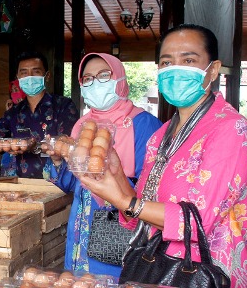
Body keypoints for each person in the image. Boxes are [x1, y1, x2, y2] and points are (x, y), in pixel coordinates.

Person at [79, 24, 247, 288]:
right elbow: (142, 209)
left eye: (188, 60)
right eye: (166, 62)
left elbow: (198, 220)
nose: (175, 69)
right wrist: (117, 182)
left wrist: (127, 202)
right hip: (154, 268)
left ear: (212, 70)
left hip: (204, 279)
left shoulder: (231, 130)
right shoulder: (162, 135)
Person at [45, 53, 162, 276]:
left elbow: (154, 191)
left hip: (119, 227)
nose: (95, 83)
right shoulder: (82, 125)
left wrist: (112, 179)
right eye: (87, 79)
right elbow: (74, 183)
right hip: (81, 226)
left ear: (119, 78)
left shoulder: (144, 125)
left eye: (104, 75)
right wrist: (58, 159)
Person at [0, 51, 79, 178]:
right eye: (24, 73)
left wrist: (32, 146)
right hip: (22, 185)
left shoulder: (64, 106)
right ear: (18, 78)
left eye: (36, 72)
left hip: (58, 183)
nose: (29, 77)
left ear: (47, 76)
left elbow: (68, 143)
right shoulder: (13, 113)